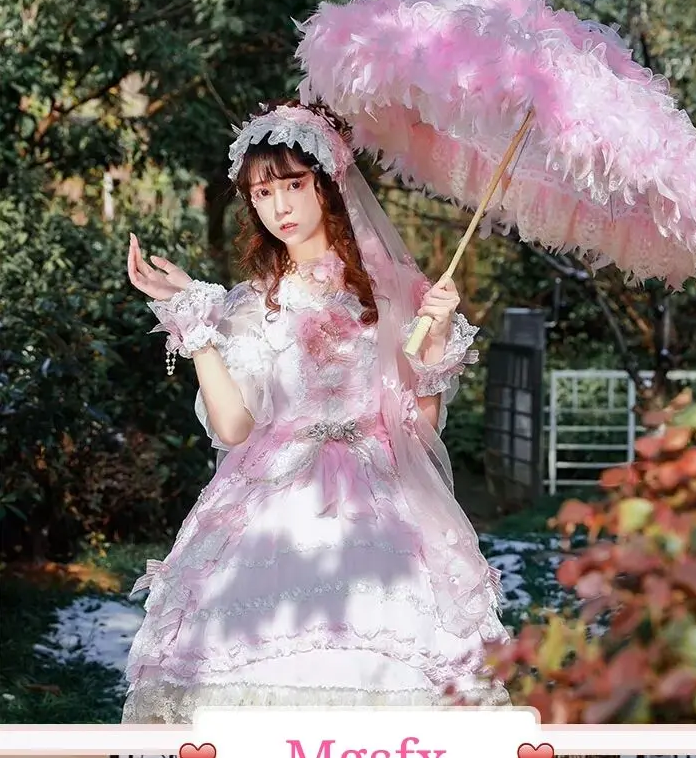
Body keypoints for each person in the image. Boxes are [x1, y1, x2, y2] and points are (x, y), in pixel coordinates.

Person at [122, 101, 510, 723]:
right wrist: (191, 321)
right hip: (270, 503)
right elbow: (232, 428)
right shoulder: (249, 305)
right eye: (262, 192)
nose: (279, 207)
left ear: (327, 185)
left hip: (381, 506)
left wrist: (432, 339)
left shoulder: (392, 299)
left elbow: (422, 426)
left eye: (293, 185)